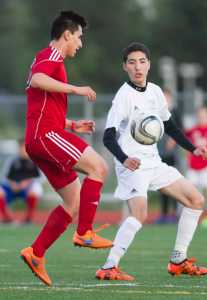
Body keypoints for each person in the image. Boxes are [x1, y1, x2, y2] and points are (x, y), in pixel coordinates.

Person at [95, 42, 207, 281]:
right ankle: (108, 267)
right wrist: (124, 159)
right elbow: (108, 137)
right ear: (125, 67)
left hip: (153, 162)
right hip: (132, 164)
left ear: (149, 64)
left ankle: (178, 260)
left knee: (196, 199)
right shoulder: (123, 96)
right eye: (132, 62)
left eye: (142, 61)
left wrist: (192, 148)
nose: (138, 67)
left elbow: (169, 126)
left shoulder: (156, 91)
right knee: (140, 214)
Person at [20, 10, 112, 286]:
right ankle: (84, 232)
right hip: (46, 136)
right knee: (99, 167)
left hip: (44, 135)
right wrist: (76, 89)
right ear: (67, 34)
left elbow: (42, 103)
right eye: (79, 37)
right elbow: (37, 80)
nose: (80, 44)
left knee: (72, 202)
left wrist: (72, 125)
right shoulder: (51, 57)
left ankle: (35, 253)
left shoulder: (49, 59)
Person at [0, 138, 43, 224]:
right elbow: (4, 176)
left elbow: (41, 178)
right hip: (11, 187)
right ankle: (7, 218)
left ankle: (29, 218)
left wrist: (27, 182)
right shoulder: (12, 160)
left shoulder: (36, 160)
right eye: (21, 147)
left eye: (24, 147)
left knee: (35, 189)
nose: (22, 149)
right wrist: (12, 184)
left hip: (27, 188)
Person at [155, 88, 182, 224]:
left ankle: (174, 214)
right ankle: (164, 214)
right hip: (159, 154)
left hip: (172, 155)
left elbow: (180, 129)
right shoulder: (155, 111)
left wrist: (173, 139)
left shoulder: (175, 112)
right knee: (162, 185)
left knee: (173, 183)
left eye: (167, 98)